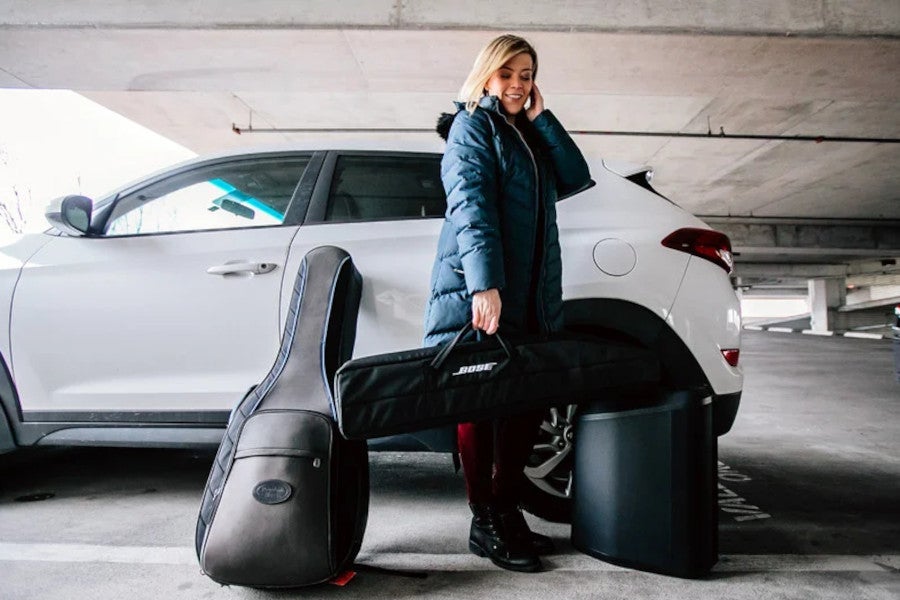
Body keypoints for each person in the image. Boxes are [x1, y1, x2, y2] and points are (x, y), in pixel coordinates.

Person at [423, 34, 593, 572]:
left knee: (524, 400)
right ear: (486, 76)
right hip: (493, 288)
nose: (517, 84)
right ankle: (484, 517)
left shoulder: (526, 134)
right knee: (483, 402)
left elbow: (575, 177)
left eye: (527, 74)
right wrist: (483, 284)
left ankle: (505, 507)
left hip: (532, 294)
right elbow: (470, 207)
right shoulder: (474, 127)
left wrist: (544, 119)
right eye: (508, 74)